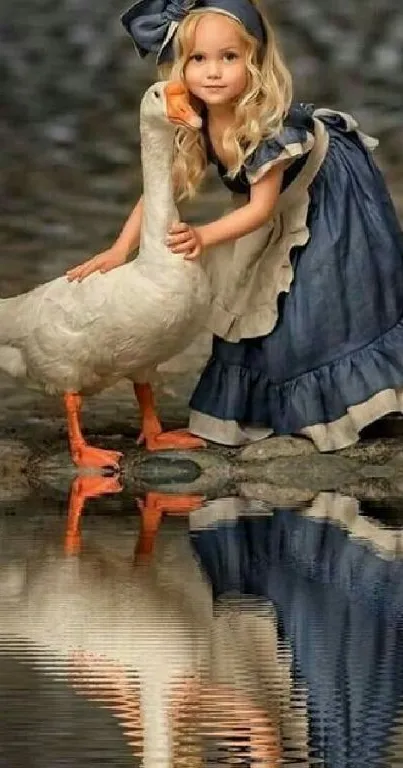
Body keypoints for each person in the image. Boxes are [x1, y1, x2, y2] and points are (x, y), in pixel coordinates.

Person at [68, 0, 403, 452]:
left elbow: (261, 210)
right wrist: (120, 249)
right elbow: (158, 190)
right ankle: (269, 402)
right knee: (252, 292)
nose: (213, 72)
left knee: (320, 294)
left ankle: (356, 400)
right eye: (198, 60)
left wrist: (204, 236)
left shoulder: (266, 128)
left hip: (328, 191)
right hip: (279, 199)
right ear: (178, 68)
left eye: (230, 57)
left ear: (255, 62)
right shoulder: (198, 121)